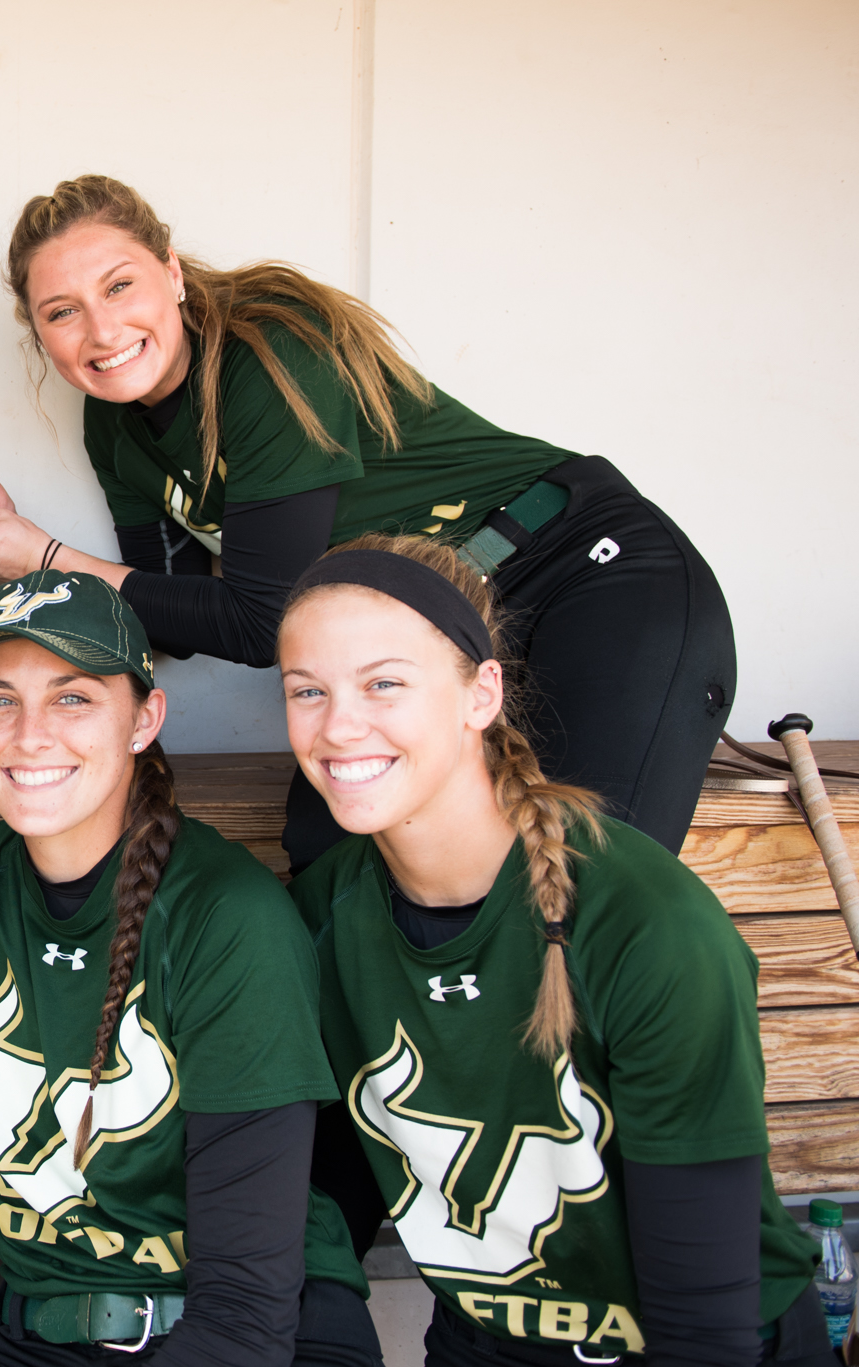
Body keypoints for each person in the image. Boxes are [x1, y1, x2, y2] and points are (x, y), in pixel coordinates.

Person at [0, 173, 733, 871]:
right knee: (328, 848)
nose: (103, 330)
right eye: (63, 311)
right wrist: (9, 542)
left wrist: (41, 558)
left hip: (578, 570)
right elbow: (184, 614)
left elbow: (263, 623)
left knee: (597, 874)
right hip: (435, 630)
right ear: (38, 332)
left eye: (120, 285)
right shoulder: (114, 425)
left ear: (172, 271)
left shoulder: (269, 351)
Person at [0, 570, 381, 1367]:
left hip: (263, 1336)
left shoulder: (226, 913)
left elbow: (244, 1307)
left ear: (144, 719)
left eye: (72, 698)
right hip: (49, 1337)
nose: (29, 735)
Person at [277, 534, 832, 1367]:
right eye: (306, 690)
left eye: (384, 682)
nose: (338, 724)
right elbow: (327, 1175)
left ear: (480, 693)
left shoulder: (644, 922)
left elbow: (707, 1313)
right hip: (483, 1342)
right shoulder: (323, 913)